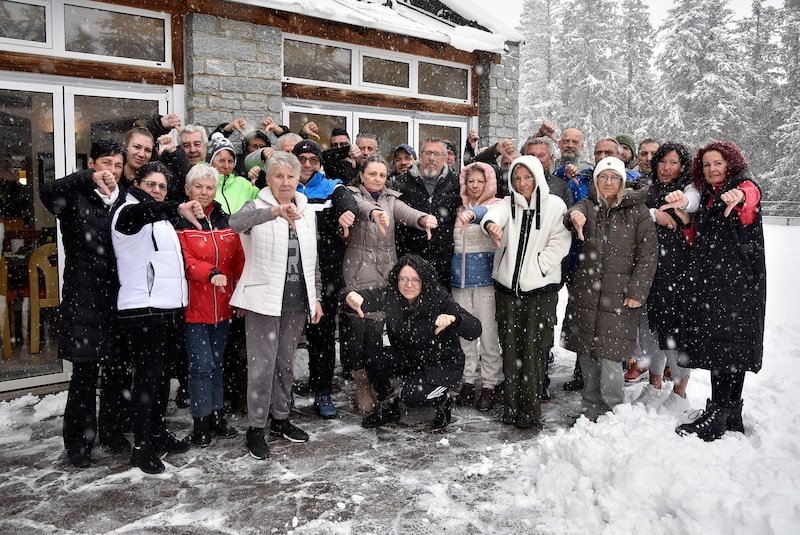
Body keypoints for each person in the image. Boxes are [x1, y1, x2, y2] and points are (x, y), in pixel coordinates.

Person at [40, 139, 131, 468]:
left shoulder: (125, 199)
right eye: (107, 163)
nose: (113, 171)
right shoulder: (75, 196)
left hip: (119, 297)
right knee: (85, 373)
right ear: (92, 163)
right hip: (85, 295)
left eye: (119, 165)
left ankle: (111, 430)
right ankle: (78, 441)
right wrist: (86, 178)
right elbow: (47, 192)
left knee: (117, 371)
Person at [229, 151, 323, 460]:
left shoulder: (307, 211)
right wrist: (275, 212)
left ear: (299, 180)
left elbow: (313, 261)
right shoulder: (257, 206)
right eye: (279, 176)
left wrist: (316, 297)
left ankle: (281, 418)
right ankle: (256, 427)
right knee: (261, 368)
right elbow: (235, 222)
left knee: (285, 364)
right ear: (268, 179)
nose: (285, 182)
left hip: (296, 302)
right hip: (262, 301)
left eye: (291, 176)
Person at [112, 161, 204, 473]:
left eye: (163, 186)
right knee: (146, 380)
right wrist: (174, 206)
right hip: (142, 309)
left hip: (168, 308)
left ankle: (157, 432)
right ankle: (141, 446)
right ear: (136, 183)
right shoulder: (127, 211)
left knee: (163, 378)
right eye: (151, 184)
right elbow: (137, 215)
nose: (157, 191)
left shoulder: (163, 220)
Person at [676, 141, 765, 441]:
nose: (712, 169)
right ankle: (730, 412)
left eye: (718, 163)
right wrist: (688, 222)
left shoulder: (742, 185)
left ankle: (719, 414)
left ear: (731, 164)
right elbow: (700, 241)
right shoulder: (711, 198)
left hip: (735, 288)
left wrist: (740, 194)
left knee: (726, 349)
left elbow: (750, 198)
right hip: (718, 287)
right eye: (706, 165)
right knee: (728, 350)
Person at [562, 157, 657, 421]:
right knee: (588, 356)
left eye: (614, 177)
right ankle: (590, 409)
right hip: (587, 294)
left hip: (620, 297)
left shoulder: (637, 212)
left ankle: (613, 412)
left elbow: (648, 255)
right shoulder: (588, 205)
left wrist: (637, 292)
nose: (608, 183)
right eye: (603, 177)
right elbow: (569, 217)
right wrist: (574, 216)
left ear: (623, 181)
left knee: (611, 359)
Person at [341, 156, 436, 413]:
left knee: (374, 334)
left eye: (382, 175)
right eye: (372, 174)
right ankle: (361, 385)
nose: (378, 179)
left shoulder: (391, 199)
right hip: (359, 272)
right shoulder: (349, 194)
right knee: (357, 332)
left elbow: (406, 213)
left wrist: (423, 219)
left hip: (385, 274)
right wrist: (374, 212)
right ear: (362, 175)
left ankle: (374, 382)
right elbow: (360, 207)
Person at [483, 156, 572, 427]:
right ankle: (510, 407)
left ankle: (530, 411)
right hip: (507, 292)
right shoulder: (506, 204)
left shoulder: (554, 205)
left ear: (538, 176)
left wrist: (538, 268)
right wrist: (490, 225)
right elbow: (492, 215)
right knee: (510, 351)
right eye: (517, 178)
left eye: (527, 177)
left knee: (534, 353)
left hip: (540, 293)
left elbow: (560, 242)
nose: (522, 183)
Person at [354, 255, 481, 430]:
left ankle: (443, 399)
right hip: (411, 358)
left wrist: (454, 319)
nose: (409, 284)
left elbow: (475, 329)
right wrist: (351, 297)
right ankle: (388, 407)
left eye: (415, 280)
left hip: (442, 364)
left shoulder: (439, 299)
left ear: (424, 280)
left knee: (411, 397)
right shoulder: (392, 296)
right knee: (372, 347)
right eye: (404, 279)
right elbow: (359, 298)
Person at [176, 163, 245, 447]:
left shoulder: (225, 220)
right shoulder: (179, 223)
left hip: (224, 307)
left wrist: (240, 293)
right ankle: (201, 421)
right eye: (198, 187)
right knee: (201, 366)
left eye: (209, 187)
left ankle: (217, 415)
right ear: (187, 189)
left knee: (217, 364)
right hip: (194, 308)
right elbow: (186, 261)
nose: (204, 193)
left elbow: (239, 259)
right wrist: (210, 273)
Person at [292, 139, 357, 419]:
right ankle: (279, 396)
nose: (307, 165)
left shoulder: (331, 187)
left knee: (322, 335)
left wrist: (345, 212)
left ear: (320, 163)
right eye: (302, 160)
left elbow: (346, 199)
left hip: (325, 274)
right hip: (292, 271)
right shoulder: (285, 186)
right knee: (286, 336)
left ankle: (323, 390)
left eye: (313, 160)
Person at [632, 143, 699, 418]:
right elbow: (633, 214)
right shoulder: (648, 189)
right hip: (650, 272)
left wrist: (680, 211)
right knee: (649, 333)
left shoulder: (690, 190)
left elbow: (692, 209)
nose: (666, 168)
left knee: (674, 336)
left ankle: (680, 393)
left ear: (683, 166)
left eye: (674, 162)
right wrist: (653, 214)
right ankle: (654, 384)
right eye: (663, 162)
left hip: (678, 276)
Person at [451, 162, 503, 411]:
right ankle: (469, 381)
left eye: (480, 181)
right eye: (470, 181)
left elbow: (487, 216)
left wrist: (474, 215)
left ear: (489, 183)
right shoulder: (458, 207)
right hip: (460, 282)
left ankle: (490, 384)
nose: (474, 185)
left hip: (485, 282)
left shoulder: (497, 206)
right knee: (465, 336)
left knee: (489, 336)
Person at [393, 137, 461, 288]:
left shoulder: (457, 183)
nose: (431, 158)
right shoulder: (401, 182)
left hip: (445, 266)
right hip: (411, 264)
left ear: (445, 158)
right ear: (421, 156)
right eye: (428, 153)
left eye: (437, 154)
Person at [206, 132, 260, 215]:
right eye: (221, 160)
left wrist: (261, 179)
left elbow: (268, 200)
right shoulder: (203, 186)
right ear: (210, 162)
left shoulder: (245, 185)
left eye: (230, 161)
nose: (226, 166)